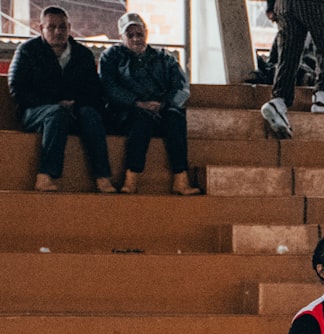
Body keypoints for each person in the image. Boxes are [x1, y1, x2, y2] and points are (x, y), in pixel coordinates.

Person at [7, 5, 115, 193]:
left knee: (91, 115)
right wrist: (54, 102)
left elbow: (94, 91)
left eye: (62, 27)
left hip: (74, 110)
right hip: (35, 111)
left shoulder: (83, 54)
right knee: (56, 114)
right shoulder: (27, 51)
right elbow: (18, 88)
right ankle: (46, 175)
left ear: (69, 27)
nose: (58, 32)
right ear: (41, 28)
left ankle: (103, 177)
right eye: (52, 27)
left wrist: (75, 103)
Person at [98, 12, 200, 196]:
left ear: (146, 33)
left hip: (161, 110)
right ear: (122, 37)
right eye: (130, 35)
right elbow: (109, 87)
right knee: (141, 120)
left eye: (139, 34)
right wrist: (136, 103)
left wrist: (164, 104)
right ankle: (131, 178)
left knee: (176, 118)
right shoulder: (111, 56)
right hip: (127, 113)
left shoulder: (163, 57)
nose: (136, 39)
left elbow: (181, 86)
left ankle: (181, 178)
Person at [260, 0, 324, 140]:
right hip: (309, 3)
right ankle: (322, 96)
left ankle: (279, 101)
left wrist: (270, 5)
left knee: (289, 53)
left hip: (283, 4)